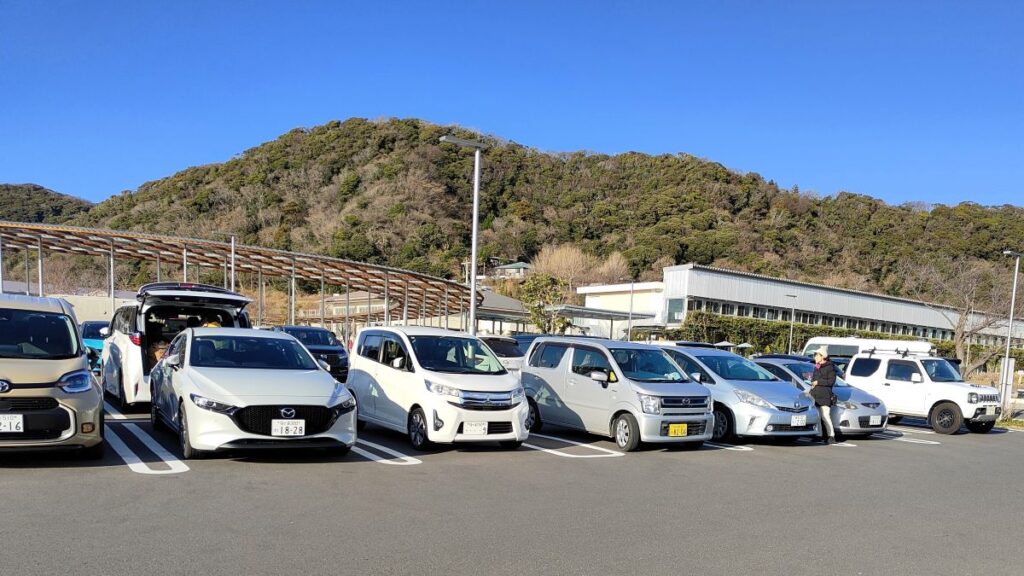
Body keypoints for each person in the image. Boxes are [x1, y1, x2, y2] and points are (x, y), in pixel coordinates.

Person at [810, 346, 837, 445]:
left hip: (825, 395)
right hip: (815, 394)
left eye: (816, 355)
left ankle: (831, 436)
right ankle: (819, 435)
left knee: (825, 416)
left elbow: (831, 381)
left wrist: (818, 382)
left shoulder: (830, 367)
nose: (815, 357)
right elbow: (813, 380)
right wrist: (812, 385)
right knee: (817, 416)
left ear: (822, 356)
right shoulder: (816, 367)